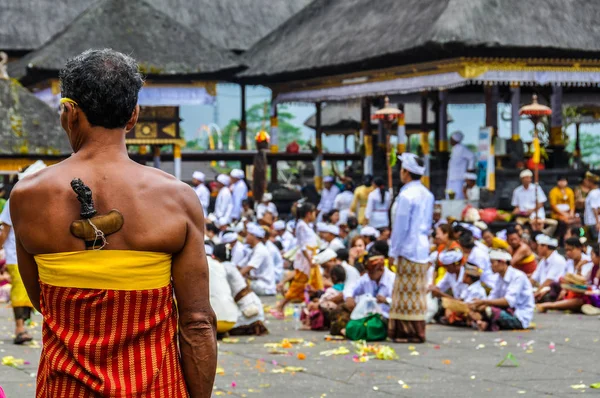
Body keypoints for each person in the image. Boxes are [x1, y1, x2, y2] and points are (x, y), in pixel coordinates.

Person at [10, 49, 215, 396]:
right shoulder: (177, 199)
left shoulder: (27, 196)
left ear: (68, 113)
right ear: (133, 115)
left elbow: (42, 302)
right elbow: (197, 323)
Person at [388, 152, 434, 343]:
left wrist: (393, 250)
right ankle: (417, 330)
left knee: (405, 293)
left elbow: (400, 227)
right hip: (422, 248)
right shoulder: (427, 194)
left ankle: (406, 332)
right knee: (418, 292)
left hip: (407, 247)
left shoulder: (406, 196)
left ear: (406, 172)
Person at [272, 203, 320, 318]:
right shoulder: (301, 226)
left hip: (311, 256)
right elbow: (303, 246)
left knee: (312, 284)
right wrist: (309, 261)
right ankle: (280, 306)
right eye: (313, 213)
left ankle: (311, 311)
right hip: (306, 258)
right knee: (299, 284)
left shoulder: (307, 225)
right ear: (308, 214)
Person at [469, 250, 534, 331]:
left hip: (519, 315)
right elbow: (492, 297)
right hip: (506, 310)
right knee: (475, 310)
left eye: (492, 262)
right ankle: (483, 322)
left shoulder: (518, 276)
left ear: (502, 262)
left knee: (489, 310)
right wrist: (478, 306)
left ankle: (485, 323)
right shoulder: (499, 278)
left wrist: (484, 302)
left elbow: (508, 301)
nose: (491, 265)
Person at [213, 244, 268, 336]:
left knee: (220, 324)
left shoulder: (222, 268)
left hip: (248, 309)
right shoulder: (230, 265)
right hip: (253, 304)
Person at [0, 198, 34, 344]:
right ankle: (19, 329)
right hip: (15, 255)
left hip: (33, 254)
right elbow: (5, 230)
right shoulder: (14, 199)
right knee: (20, 290)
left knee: (30, 292)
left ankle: (23, 326)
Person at [345, 249, 396, 320]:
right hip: (368, 315)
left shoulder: (393, 280)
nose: (369, 275)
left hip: (388, 317)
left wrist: (386, 300)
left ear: (381, 268)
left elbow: (401, 303)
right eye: (368, 272)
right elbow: (351, 287)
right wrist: (349, 297)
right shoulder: (366, 278)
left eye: (371, 272)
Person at [511, 169, 556, 234]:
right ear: (522, 179)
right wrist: (514, 213)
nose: (528, 180)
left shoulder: (536, 188)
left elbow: (541, 203)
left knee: (552, 223)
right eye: (526, 178)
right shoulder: (517, 191)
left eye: (529, 178)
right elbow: (516, 206)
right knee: (518, 226)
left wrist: (531, 211)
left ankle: (544, 235)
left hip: (537, 214)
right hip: (523, 216)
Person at [239, 223, 276, 296]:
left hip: (265, 287)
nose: (246, 237)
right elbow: (239, 266)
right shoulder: (254, 249)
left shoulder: (260, 250)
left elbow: (246, 269)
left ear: (254, 236)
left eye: (248, 235)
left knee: (238, 285)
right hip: (257, 283)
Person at [531, 234, 567, 302]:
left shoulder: (558, 259)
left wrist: (535, 294)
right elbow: (534, 278)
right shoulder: (543, 260)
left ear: (545, 247)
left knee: (543, 296)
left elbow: (549, 281)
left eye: (539, 246)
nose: (537, 248)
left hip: (553, 290)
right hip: (542, 288)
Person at [446, 131, 475, 200]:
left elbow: (472, 156)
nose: (450, 141)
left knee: (458, 196)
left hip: (459, 178)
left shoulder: (462, 148)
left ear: (455, 140)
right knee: (449, 196)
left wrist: (470, 168)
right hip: (452, 177)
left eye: (451, 139)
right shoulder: (454, 149)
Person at [582, 171, 600, 242]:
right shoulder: (596, 191)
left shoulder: (593, 193)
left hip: (593, 222)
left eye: (586, 180)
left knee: (593, 242)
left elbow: (595, 208)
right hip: (592, 222)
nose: (585, 182)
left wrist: (597, 223)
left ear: (591, 182)